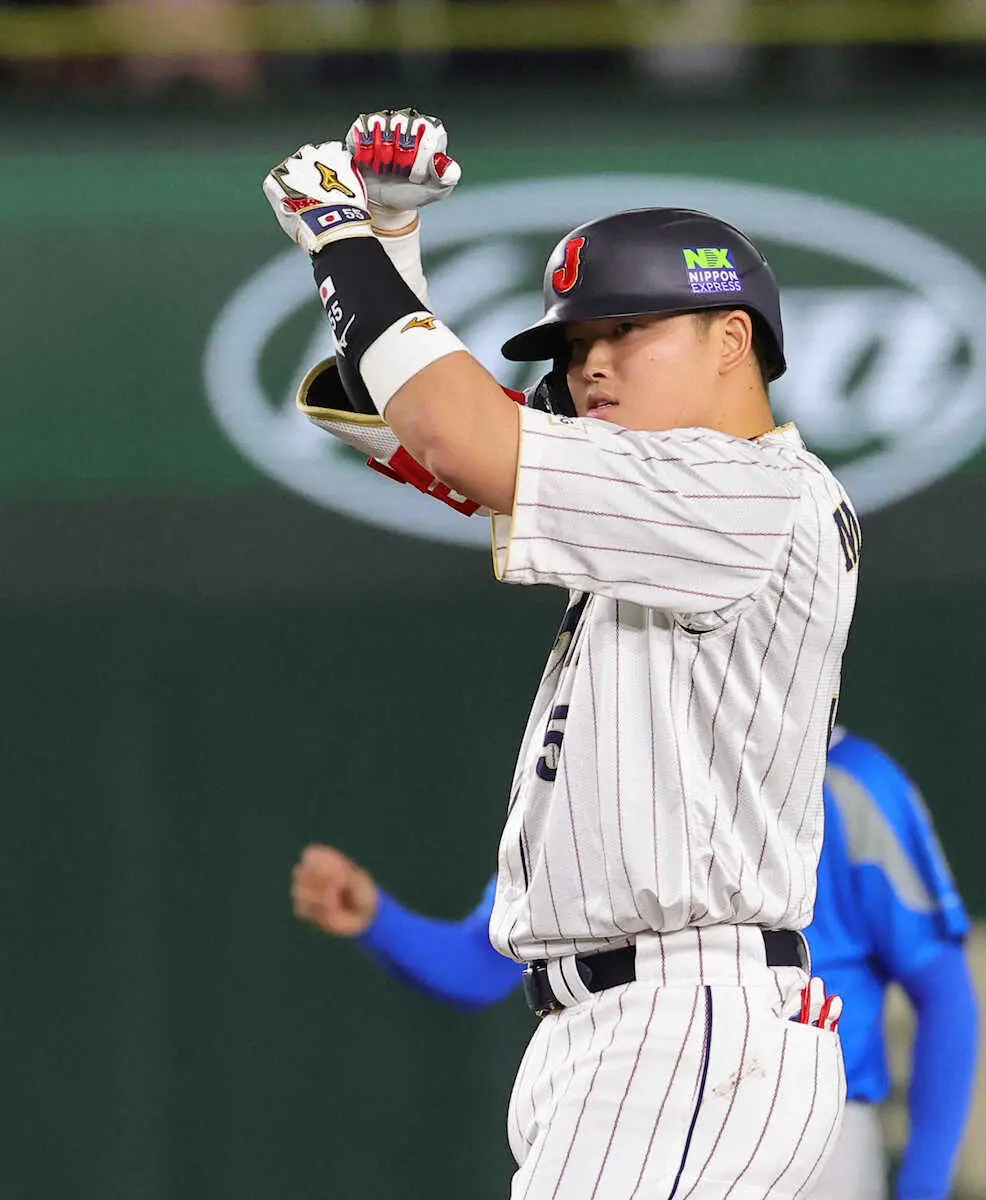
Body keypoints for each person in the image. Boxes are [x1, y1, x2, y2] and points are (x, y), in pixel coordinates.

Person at [264, 108, 859, 1198]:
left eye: (626, 332)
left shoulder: (750, 495)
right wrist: (392, 238)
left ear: (731, 341)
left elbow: (458, 434)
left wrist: (340, 236)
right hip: (625, 1034)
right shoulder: (667, 505)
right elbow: (406, 423)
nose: (590, 364)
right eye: (577, 345)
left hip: (685, 1028)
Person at [292, 728, 979, 1200]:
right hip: (628, 1108)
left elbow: (944, 993)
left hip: (801, 1129)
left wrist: (920, 1190)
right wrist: (381, 919)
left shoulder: (847, 783)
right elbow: (486, 962)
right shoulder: (595, 781)